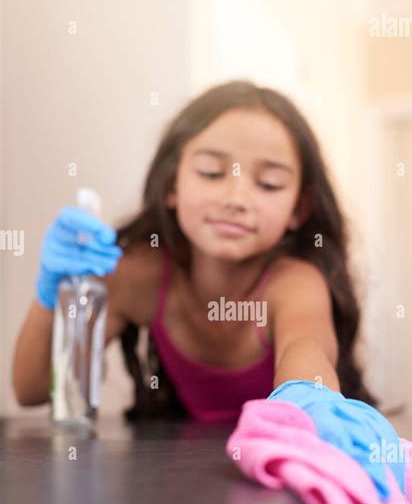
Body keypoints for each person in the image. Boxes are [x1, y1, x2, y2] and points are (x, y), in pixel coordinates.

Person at [12, 80, 377, 423]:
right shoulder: (139, 276)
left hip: (277, 474)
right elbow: (30, 390)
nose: (236, 199)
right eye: (211, 173)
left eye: (269, 183)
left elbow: (306, 348)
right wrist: (50, 294)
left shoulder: (294, 283)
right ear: (172, 185)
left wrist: (310, 402)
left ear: (299, 209)